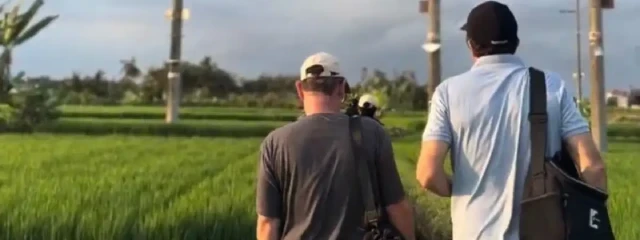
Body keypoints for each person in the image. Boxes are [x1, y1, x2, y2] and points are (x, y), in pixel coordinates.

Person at [414, 1, 607, 240]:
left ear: (471, 45)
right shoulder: (551, 87)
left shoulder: (448, 93)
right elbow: (594, 168)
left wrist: (462, 187)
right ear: (515, 43)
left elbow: (427, 174)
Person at [256, 52, 415, 240]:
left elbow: (268, 223)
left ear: (300, 90)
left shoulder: (275, 142)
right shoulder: (372, 133)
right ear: (341, 88)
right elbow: (396, 206)